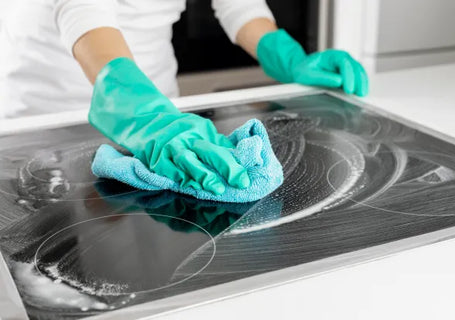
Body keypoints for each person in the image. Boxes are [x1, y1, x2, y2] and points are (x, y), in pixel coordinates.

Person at [0, 0, 369, 195]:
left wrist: (289, 56)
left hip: (158, 108)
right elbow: (82, 8)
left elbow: (238, 5)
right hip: (50, 107)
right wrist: (138, 108)